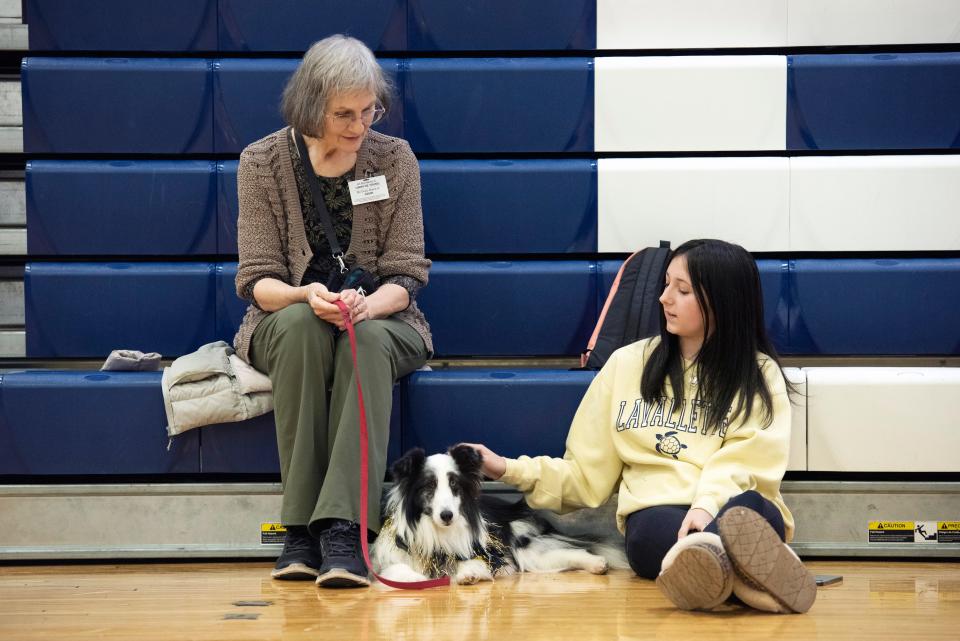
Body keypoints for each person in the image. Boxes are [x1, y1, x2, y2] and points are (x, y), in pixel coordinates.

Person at [466, 239, 817, 613]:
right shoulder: (627, 364)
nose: (665, 298)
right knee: (649, 539)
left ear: (722, 302)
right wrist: (507, 468)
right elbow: (585, 474)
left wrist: (706, 508)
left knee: (748, 514)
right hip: (661, 514)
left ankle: (715, 573)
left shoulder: (758, 373)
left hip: (731, 504)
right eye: (666, 285)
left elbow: (745, 461)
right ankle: (750, 581)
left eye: (682, 290)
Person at [234, 35, 432, 588]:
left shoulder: (394, 159)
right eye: (343, 113)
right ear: (308, 106)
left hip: (383, 317)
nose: (359, 125)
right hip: (288, 314)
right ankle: (298, 530)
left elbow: (408, 274)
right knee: (301, 328)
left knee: (363, 340)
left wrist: (367, 307)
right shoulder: (262, 163)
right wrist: (305, 296)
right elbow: (256, 281)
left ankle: (346, 527)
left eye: (369, 110)